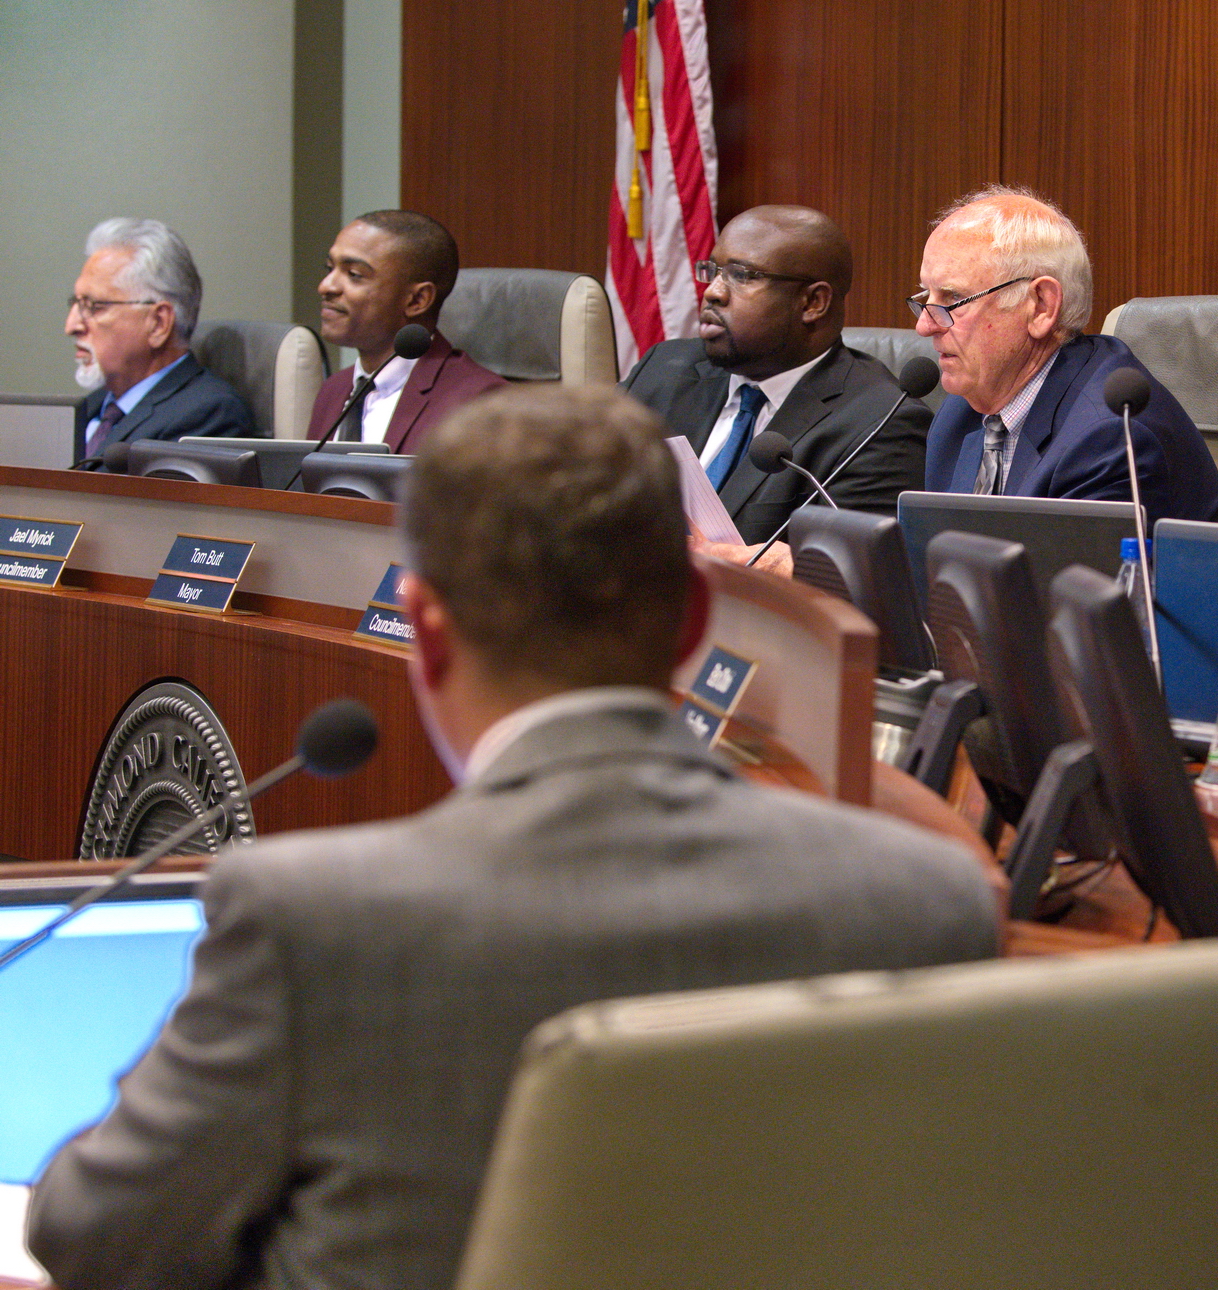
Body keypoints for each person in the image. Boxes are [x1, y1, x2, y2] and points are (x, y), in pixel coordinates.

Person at [28, 385, 1003, 1290]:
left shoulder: (311, 922)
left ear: (426, 630)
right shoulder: (922, 906)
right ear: (694, 621)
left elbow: (91, 1232)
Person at [623, 205, 930, 559]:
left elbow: (843, 574)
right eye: (714, 271)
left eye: (741, 276)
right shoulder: (664, 368)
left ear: (813, 302)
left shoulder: (881, 425)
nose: (713, 292)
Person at [918, 186, 1218, 523]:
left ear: (1041, 306)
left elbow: (1065, 560)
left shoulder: (1109, 439)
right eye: (925, 297)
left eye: (953, 299)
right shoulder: (959, 416)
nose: (924, 325)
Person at [307, 209, 506, 453]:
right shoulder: (333, 390)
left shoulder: (480, 402)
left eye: (354, 275)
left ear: (417, 300)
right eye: (329, 268)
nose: (325, 286)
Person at [67, 218, 254, 466]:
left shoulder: (207, 416)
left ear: (158, 323)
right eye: (76, 304)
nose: (72, 326)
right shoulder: (91, 407)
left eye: (94, 306)